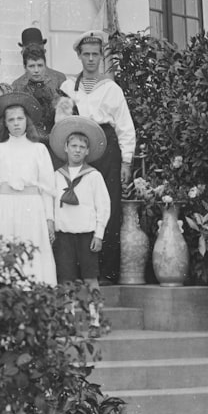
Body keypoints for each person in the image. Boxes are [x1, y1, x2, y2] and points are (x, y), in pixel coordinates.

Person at [59, 30, 136, 284]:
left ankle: (107, 272)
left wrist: (126, 161)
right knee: (77, 202)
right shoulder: (68, 88)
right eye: (86, 54)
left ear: (101, 57)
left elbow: (125, 126)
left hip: (106, 146)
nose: (91, 59)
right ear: (78, 56)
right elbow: (60, 121)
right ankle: (81, 271)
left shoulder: (111, 88)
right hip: (77, 144)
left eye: (96, 54)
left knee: (107, 206)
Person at [0, 92, 57, 285]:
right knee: (6, 251)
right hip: (5, 207)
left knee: (33, 251)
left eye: (20, 119)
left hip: (33, 208)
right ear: (5, 124)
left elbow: (47, 189)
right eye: (11, 120)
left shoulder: (39, 149)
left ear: (27, 121)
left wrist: (49, 219)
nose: (16, 123)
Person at [49, 116, 110, 324]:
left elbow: (103, 207)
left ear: (87, 151)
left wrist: (99, 234)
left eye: (82, 147)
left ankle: (95, 320)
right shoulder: (57, 176)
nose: (77, 150)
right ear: (65, 148)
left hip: (86, 235)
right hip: (63, 234)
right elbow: (50, 204)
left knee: (90, 279)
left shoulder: (94, 176)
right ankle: (68, 320)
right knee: (66, 281)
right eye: (73, 146)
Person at [13, 45, 67, 146]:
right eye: (32, 66)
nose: (36, 70)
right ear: (25, 67)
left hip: (52, 144)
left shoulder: (56, 93)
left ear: (45, 66)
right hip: (26, 144)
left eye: (40, 65)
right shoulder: (18, 93)